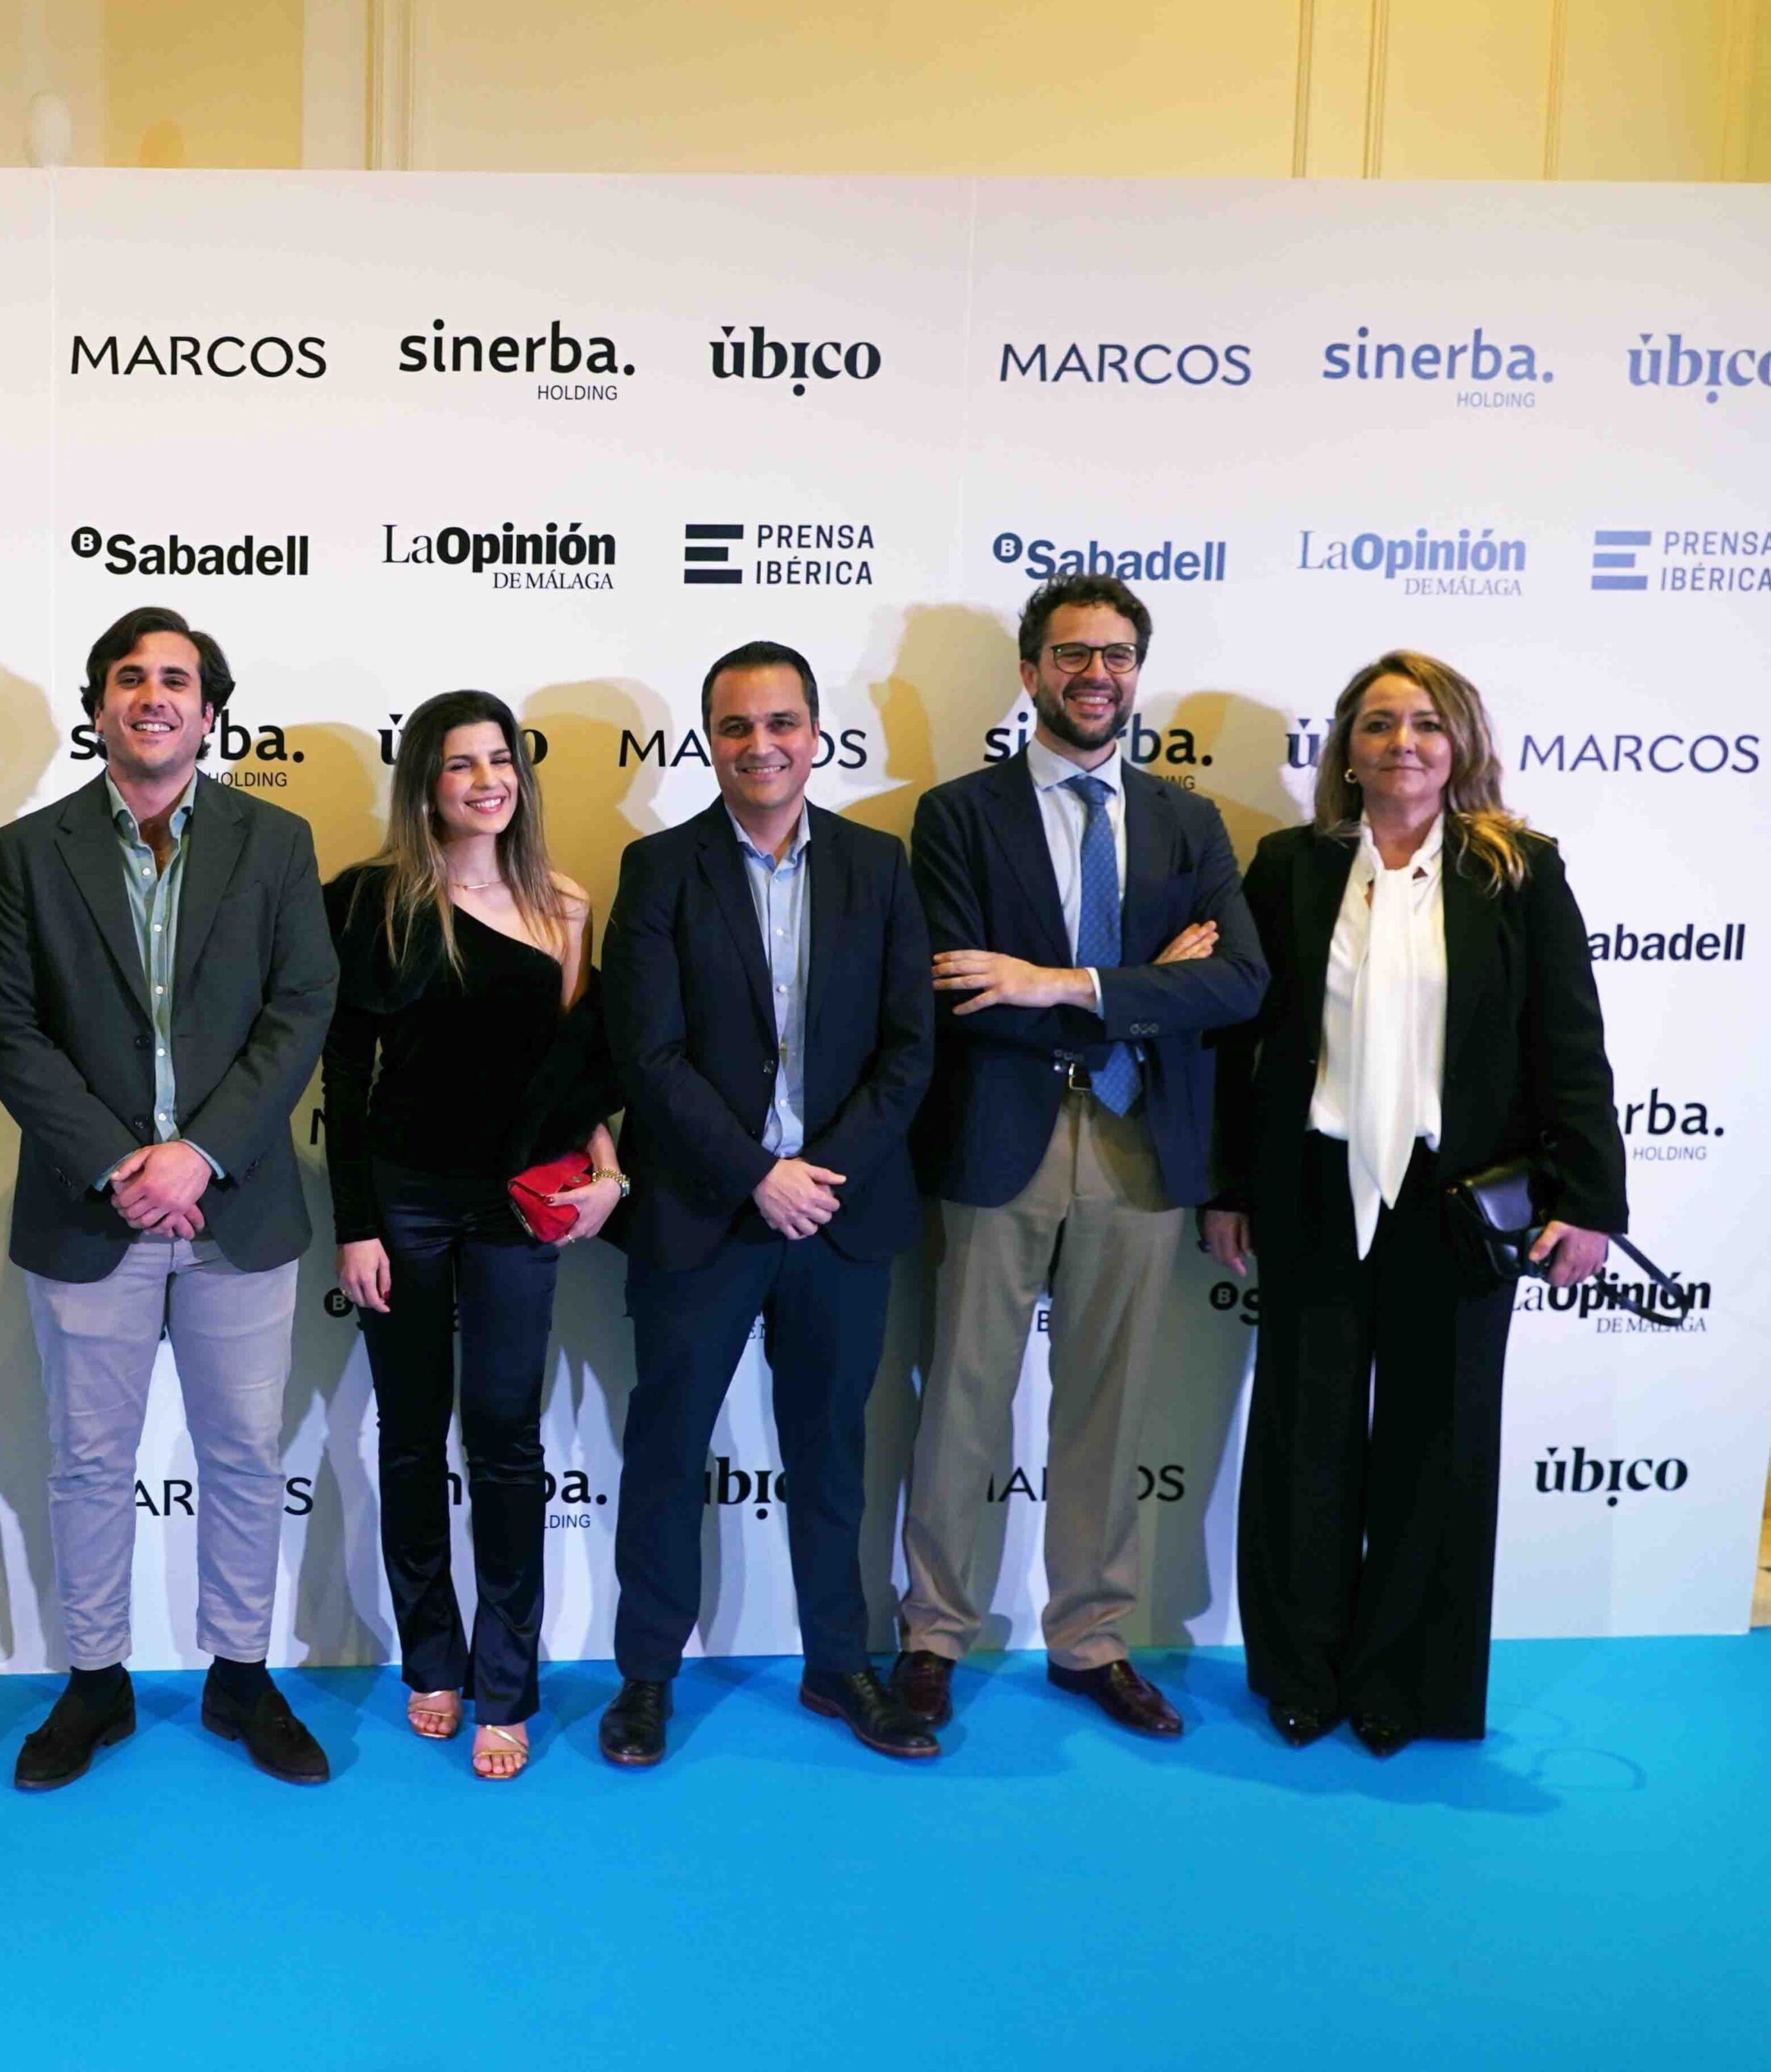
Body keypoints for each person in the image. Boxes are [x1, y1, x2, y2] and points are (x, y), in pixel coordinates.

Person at [1206, 650, 1623, 1757]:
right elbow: (1238, 1046)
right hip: (1311, 1190)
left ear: (1461, 746)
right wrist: (1226, 1189)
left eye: (1426, 725)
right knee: (1305, 1443)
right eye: (1379, 723)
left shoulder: (1518, 869)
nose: (1402, 744)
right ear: (1344, 748)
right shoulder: (1288, 867)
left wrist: (1588, 1201)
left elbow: (1568, 1046)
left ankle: (1407, 1687)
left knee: (1435, 1450)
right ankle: (1299, 1673)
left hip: (1455, 1205)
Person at [0, 608, 340, 1789]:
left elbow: (301, 1008)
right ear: (98, 710)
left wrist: (202, 1154)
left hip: (237, 1208)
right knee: (87, 1459)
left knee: (241, 1452)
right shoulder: (29, 852)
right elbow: (6, 1025)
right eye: (129, 678)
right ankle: (94, 1684)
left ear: (208, 712)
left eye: (175, 679)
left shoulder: (274, 842)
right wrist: (126, 1163)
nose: (152, 696)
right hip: (93, 1212)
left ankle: (240, 1674)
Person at [893, 576, 1265, 1740]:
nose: (1092, 675)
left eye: (1113, 655)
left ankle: (1089, 1640)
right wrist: (1150, 985)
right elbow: (964, 990)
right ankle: (932, 1635)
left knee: (1110, 1406)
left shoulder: (1186, 823)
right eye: (1068, 655)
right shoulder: (956, 814)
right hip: (997, 1137)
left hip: (1139, 1148)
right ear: (1028, 673)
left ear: (1136, 672)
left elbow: (1238, 983)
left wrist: (1063, 982)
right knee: (962, 1400)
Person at [594, 642, 937, 1766]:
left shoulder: (877, 867)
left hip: (841, 1216)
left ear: (813, 733)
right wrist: (757, 1173)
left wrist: (819, 1173)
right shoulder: (657, 871)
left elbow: (906, 1047)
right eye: (737, 727)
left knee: (831, 1450)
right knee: (665, 1449)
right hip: (705, 1213)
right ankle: (645, 1676)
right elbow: (646, 1054)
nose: (761, 745)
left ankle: (839, 1669)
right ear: (708, 740)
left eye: (781, 723)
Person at [323, 690, 621, 1782]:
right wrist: (354, 1225)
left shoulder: (563, 903)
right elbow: (345, 1077)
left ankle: (509, 1685)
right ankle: (429, 1662)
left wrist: (610, 1168)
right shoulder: (371, 902)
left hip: (513, 1207)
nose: (487, 781)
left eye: (501, 761)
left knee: (504, 1439)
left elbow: (575, 1069)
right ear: (424, 784)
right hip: (400, 1199)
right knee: (410, 1437)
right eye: (460, 765)